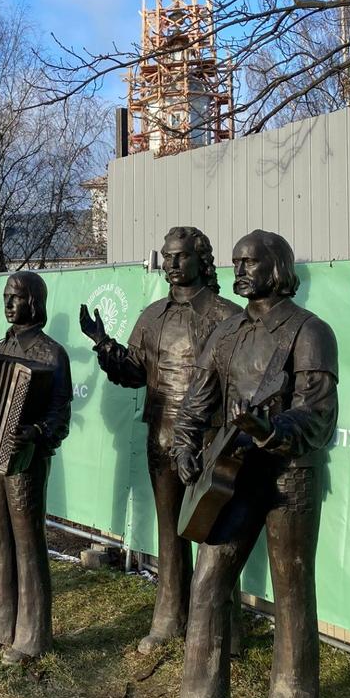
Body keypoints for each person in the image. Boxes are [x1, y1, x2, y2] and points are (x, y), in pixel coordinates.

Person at [164, 230, 338, 698]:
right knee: (207, 581)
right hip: (232, 473)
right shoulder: (227, 332)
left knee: (292, 588)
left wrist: (272, 429)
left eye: (251, 263)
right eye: (236, 262)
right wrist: (184, 446)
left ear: (277, 268)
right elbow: (197, 401)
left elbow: (318, 414)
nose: (239, 271)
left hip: (290, 476)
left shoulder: (310, 331)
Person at [80, 226, 239, 653]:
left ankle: (222, 628)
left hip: (211, 438)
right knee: (170, 531)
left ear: (202, 260)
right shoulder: (152, 316)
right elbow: (135, 372)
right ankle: (170, 618)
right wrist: (103, 344)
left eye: (181, 256)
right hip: (162, 435)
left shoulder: (227, 316)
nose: (172, 263)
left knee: (215, 533)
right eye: (167, 256)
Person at [0, 271, 72, 665]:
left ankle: (33, 634)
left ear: (33, 301)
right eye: (5, 297)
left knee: (28, 543)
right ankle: (2, 621)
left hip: (27, 462)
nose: (8, 303)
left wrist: (36, 431)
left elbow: (61, 412)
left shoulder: (51, 353)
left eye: (16, 297)